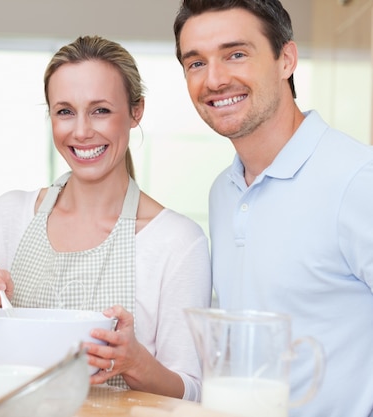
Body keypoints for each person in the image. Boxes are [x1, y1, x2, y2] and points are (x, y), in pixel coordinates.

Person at [0, 35, 212, 401]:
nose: (80, 131)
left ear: (136, 111)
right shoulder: (9, 215)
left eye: (101, 110)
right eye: (65, 111)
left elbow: (191, 392)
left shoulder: (177, 241)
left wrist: (135, 362)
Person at [174, 1, 373, 416]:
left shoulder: (358, 179)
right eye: (195, 63)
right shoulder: (223, 191)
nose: (214, 79)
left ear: (286, 59)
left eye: (236, 54)